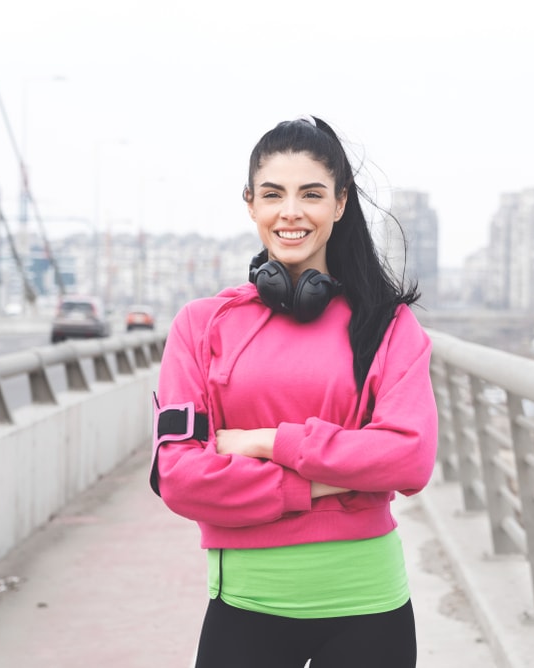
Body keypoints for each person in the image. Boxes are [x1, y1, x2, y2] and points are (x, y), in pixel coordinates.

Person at [150, 116, 438, 668]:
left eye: (311, 194)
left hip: (368, 605)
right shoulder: (202, 325)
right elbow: (180, 479)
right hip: (245, 606)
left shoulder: (388, 324)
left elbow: (409, 457)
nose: (291, 212)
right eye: (273, 194)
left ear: (340, 203)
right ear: (250, 204)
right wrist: (325, 484)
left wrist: (264, 441)